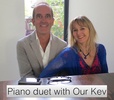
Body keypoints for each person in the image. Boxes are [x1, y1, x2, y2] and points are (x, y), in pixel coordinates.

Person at [39, 15, 108, 78]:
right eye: (75, 30)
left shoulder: (100, 49)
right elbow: (44, 75)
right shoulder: (68, 54)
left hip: (99, 90)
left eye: (82, 28)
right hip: (77, 91)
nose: (78, 33)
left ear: (90, 29)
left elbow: (105, 76)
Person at [17, 2, 67, 79]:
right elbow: (26, 76)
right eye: (39, 16)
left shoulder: (62, 46)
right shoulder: (22, 45)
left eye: (47, 16)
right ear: (33, 21)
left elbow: (62, 75)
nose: (43, 20)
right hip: (32, 89)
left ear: (52, 21)